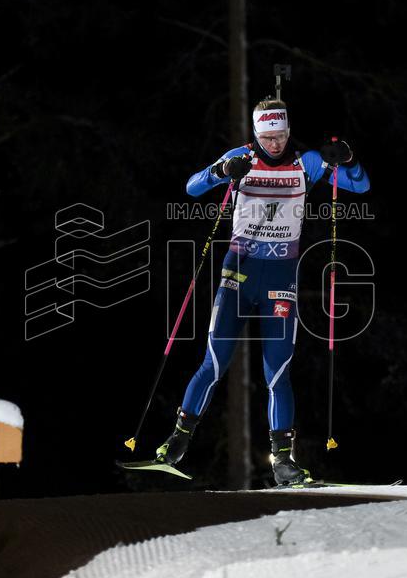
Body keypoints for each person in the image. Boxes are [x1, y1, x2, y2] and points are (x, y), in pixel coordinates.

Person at [155, 97, 370, 485]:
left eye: (281, 135)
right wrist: (222, 170)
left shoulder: (308, 163)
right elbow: (191, 188)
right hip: (237, 274)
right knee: (214, 363)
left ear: (289, 131)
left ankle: (283, 462)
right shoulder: (243, 156)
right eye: (268, 136)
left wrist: (349, 160)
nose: (275, 143)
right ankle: (177, 441)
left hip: (280, 280)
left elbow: (360, 185)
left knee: (278, 372)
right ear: (257, 133)